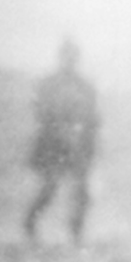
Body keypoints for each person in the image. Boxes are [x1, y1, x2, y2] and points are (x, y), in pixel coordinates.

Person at [23, 39, 100, 243]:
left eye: (73, 56)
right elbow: (40, 113)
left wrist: (85, 144)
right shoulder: (48, 84)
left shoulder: (85, 86)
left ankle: (76, 233)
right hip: (53, 145)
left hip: (77, 146)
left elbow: (93, 119)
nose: (70, 60)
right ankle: (30, 225)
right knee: (49, 188)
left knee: (81, 190)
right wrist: (59, 131)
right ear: (61, 57)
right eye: (66, 55)